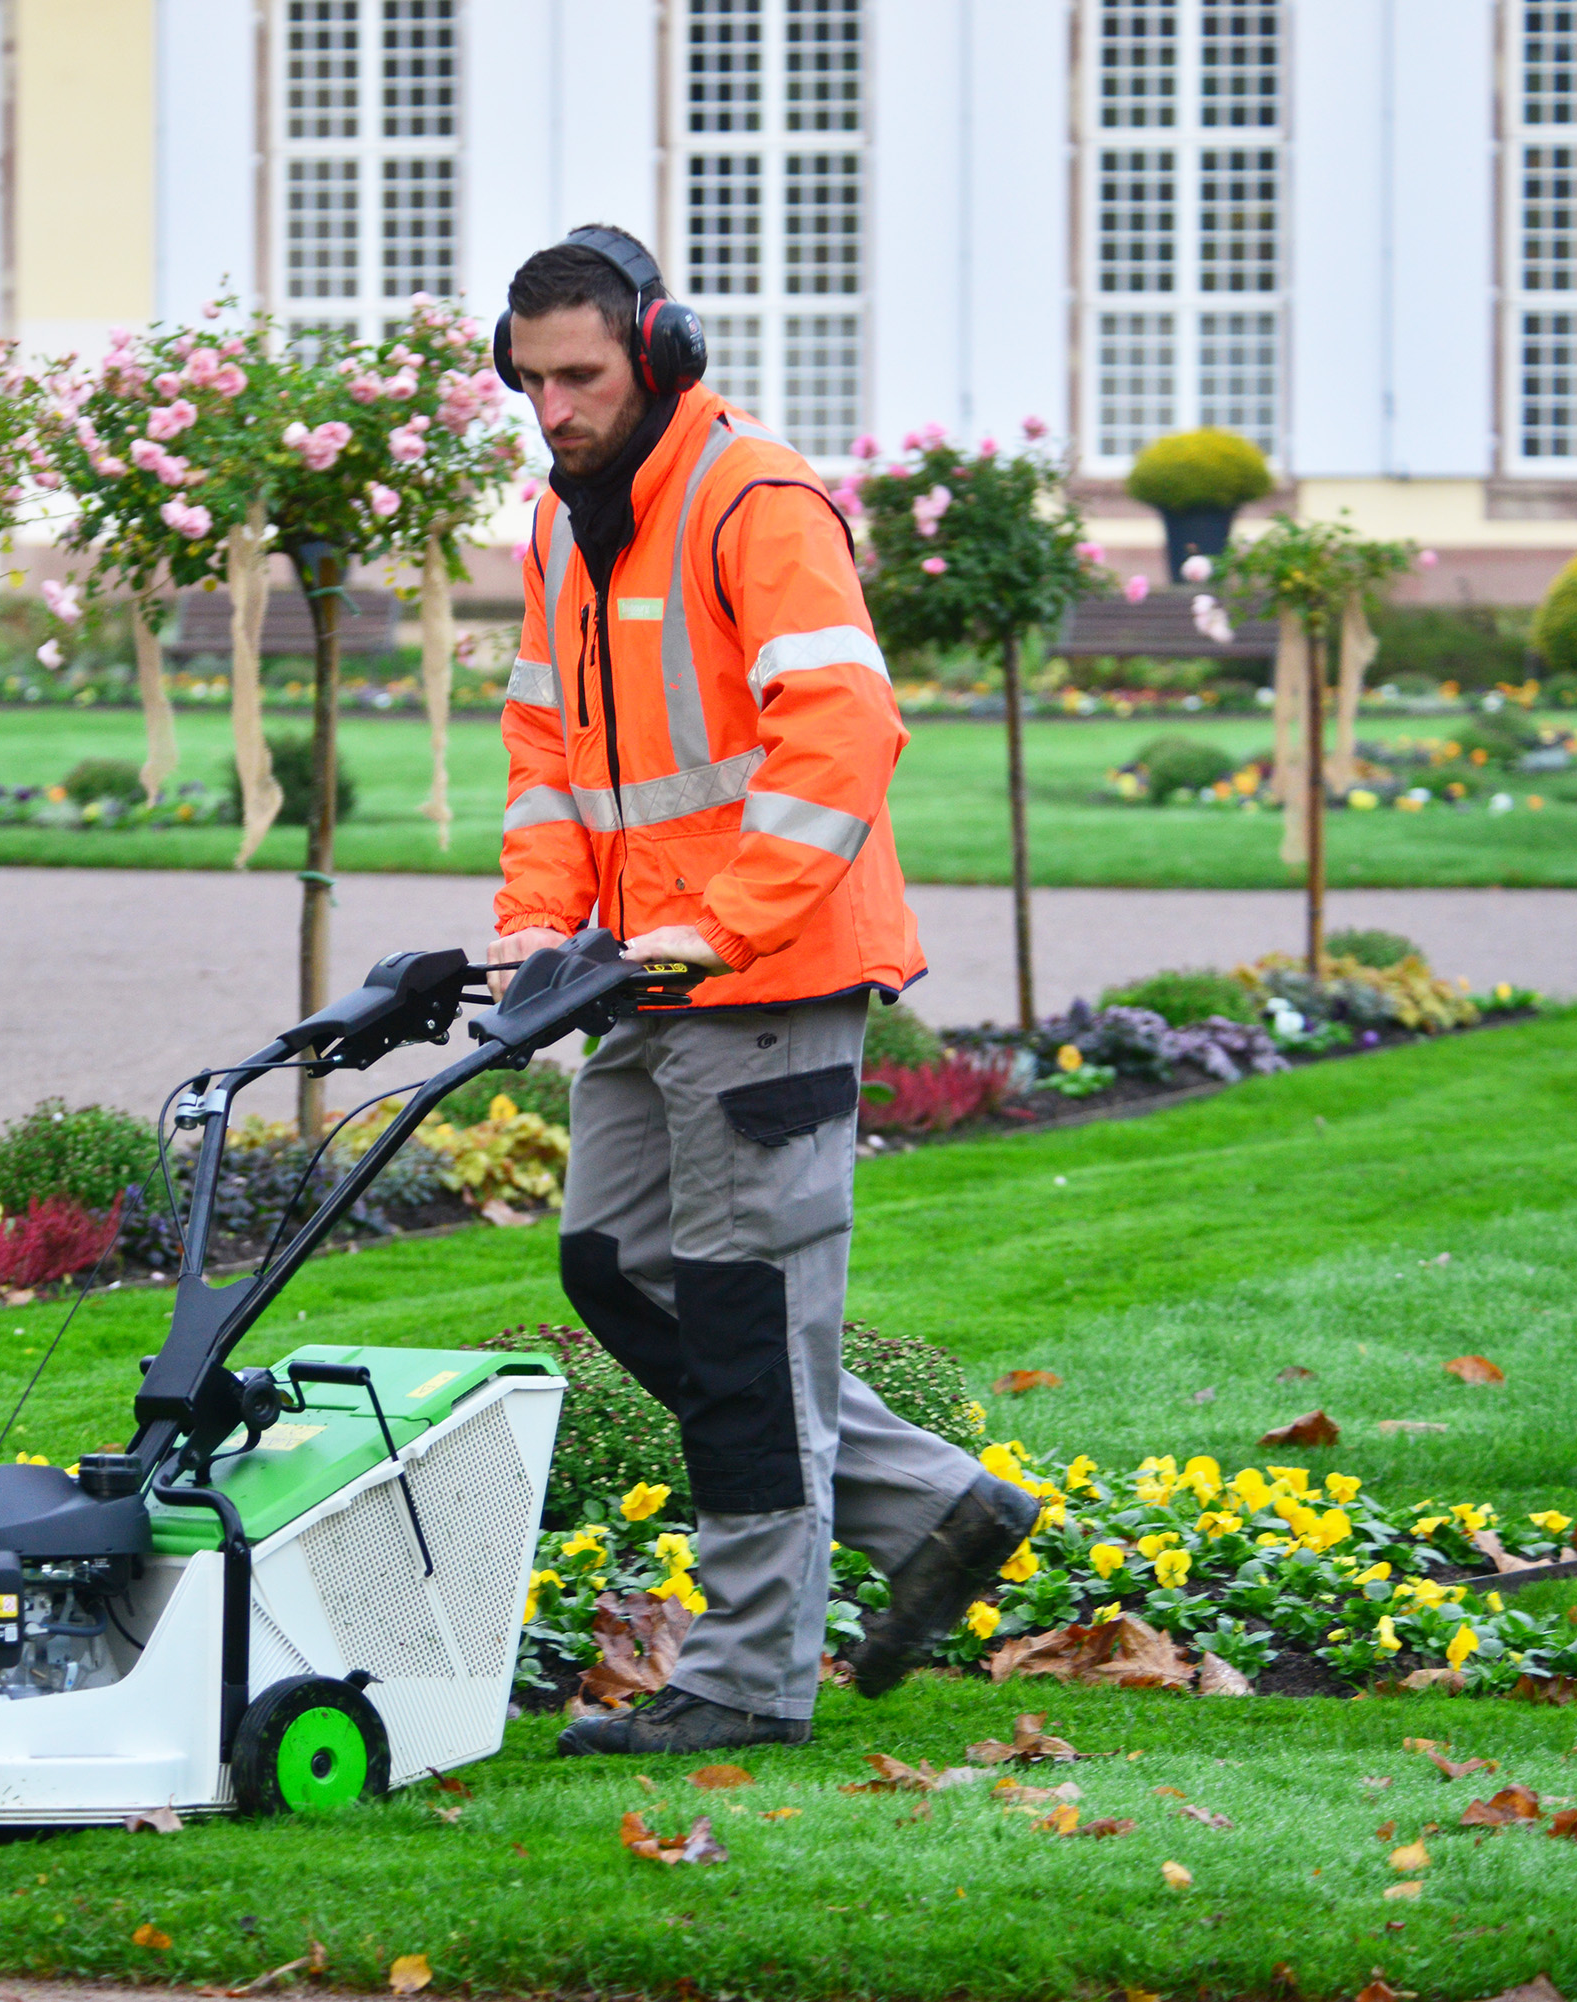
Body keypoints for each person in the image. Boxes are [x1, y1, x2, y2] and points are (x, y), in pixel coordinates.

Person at [487, 226, 1037, 1756]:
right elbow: (548, 744)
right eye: (530, 381)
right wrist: (540, 927)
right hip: (633, 975)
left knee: (740, 1318)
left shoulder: (756, 501)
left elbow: (844, 735)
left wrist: (718, 926)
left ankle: (743, 1673)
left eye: (581, 377)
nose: (556, 410)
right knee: (616, 1266)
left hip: (768, 973)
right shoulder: (563, 523)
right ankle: (940, 1503)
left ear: (661, 351)